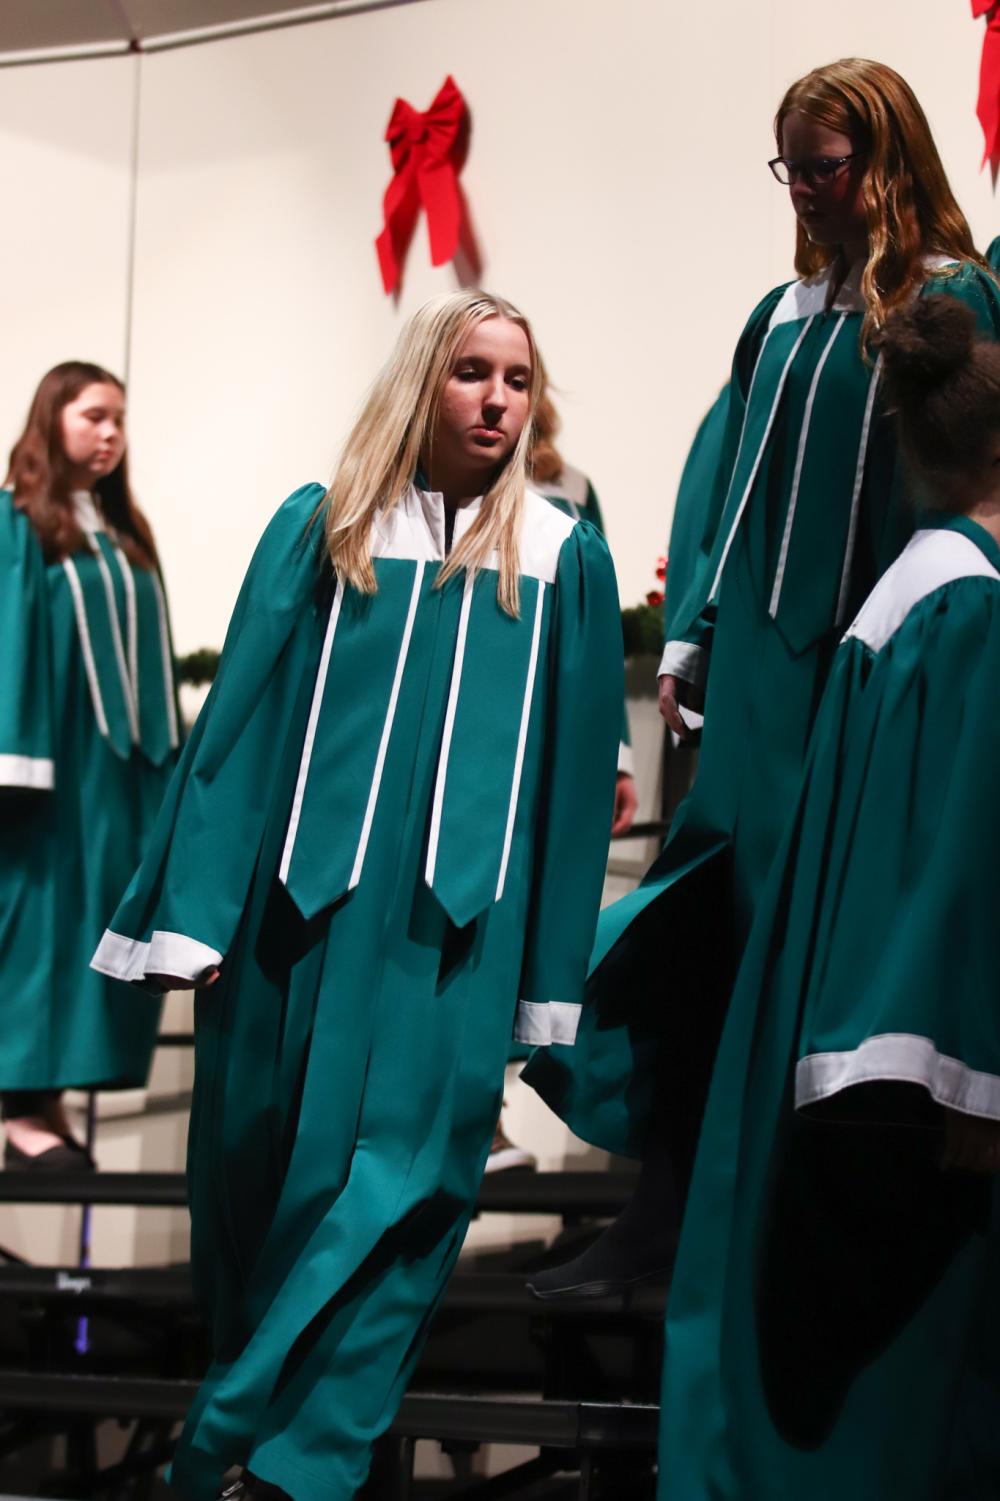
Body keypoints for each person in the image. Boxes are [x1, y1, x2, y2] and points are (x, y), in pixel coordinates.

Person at [91, 290, 624, 1501]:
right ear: (421, 382)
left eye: (518, 380)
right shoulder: (327, 526)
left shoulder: (557, 560)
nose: (497, 399)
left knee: (405, 1195)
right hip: (292, 932)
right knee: (260, 1189)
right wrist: (196, 910)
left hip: (451, 948)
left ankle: (266, 1460)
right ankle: (256, 1448)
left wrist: (547, 984)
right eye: (472, 373)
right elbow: (238, 731)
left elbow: (569, 780)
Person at [525, 58, 1000, 1298]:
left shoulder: (950, 300)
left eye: (824, 166)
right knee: (708, 925)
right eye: (786, 167)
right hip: (755, 684)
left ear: (887, 158)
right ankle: (669, 1211)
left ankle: (787, 1227)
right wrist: (692, 633)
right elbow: (733, 484)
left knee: (824, 932)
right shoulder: (779, 315)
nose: (801, 192)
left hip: (870, 664)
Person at [659, 293, 1000, 1499]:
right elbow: (948, 856)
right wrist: (961, 1072)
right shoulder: (966, 605)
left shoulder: (916, 586)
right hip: (923, 1080)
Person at [0, 362, 179, 1169]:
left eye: (120, 420)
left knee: (101, 918)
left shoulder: (125, 531)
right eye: (93, 416)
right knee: (45, 917)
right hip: (55, 767)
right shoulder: (19, 523)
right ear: (53, 420)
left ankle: (57, 1093)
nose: (110, 434)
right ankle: (22, 1099)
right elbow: (11, 646)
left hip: (125, 770)